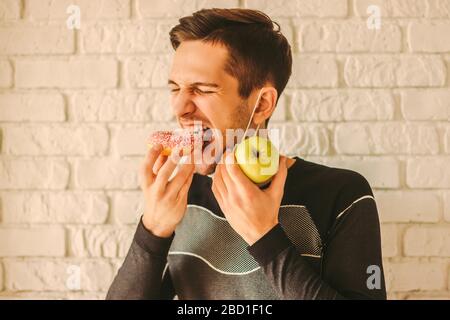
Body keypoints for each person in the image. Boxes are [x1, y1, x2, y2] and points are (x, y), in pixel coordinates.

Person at [106, 8, 386, 300]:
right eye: (175, 89)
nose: (179, 108)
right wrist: (152, 231)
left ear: (263, 104)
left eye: (202, 90)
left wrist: (264, 236)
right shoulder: (180, 196)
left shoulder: (341, 194)